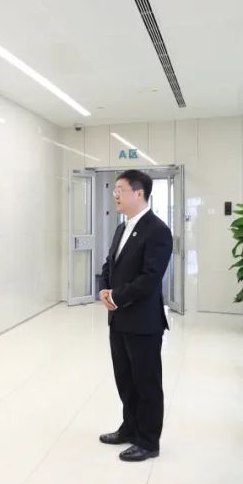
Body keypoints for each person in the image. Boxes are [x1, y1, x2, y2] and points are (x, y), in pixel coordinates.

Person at [98, 169, 173, 462]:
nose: (115, 195)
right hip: (118, 320)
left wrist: (116, 296)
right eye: (115, 190)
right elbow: (110, 264)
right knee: (125, 379)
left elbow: (150, 278)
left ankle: (148, 441)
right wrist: (105, 289)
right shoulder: (122, 228)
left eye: (120, 189)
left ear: (138, 193)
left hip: (143, 322)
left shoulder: (157, 230)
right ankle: (129, 428)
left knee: (146, 383)